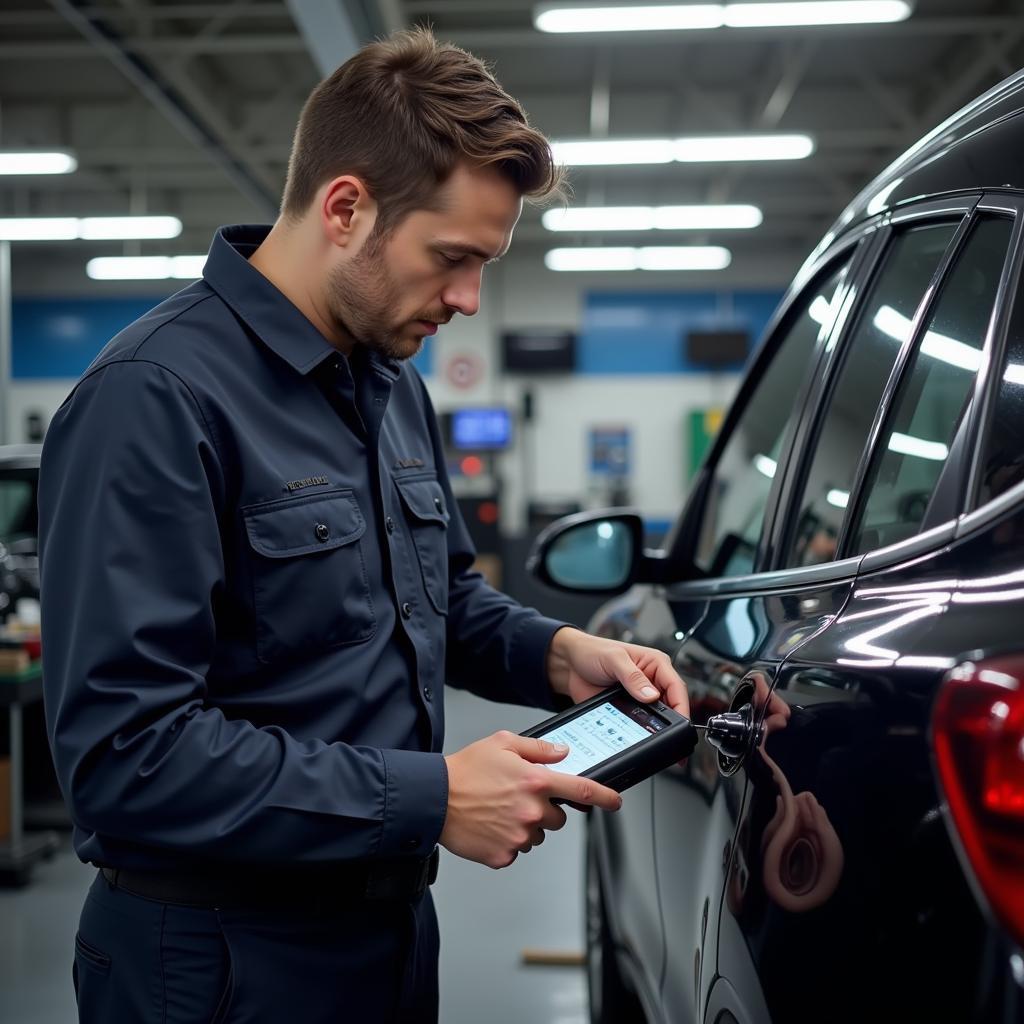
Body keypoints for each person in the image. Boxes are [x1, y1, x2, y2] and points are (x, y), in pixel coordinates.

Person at [37, 27, 690, 1024]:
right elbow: (126, 757)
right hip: (216, 963)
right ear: (345, 208)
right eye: (452, 258)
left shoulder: (388, 384)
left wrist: (559, 655)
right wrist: (430, 798)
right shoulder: (155, 399)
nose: (469, 300)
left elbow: (441, 598)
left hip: (384, 940)